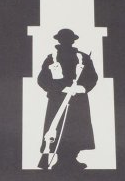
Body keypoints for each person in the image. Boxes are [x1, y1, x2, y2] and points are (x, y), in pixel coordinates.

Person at [37, 29, 98, 171]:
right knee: (56, 130)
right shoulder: (51, 58)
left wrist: (82, 88)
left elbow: (92, 77)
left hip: (78, 101)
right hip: (57, 101)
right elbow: (42, 80)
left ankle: (72, 159)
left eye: (68, 39)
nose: (66, 41)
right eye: (63, 39)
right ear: (59, 40)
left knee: (77, 129)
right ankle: (59, 160)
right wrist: (60, 89)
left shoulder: (83, 58)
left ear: (73, 40)